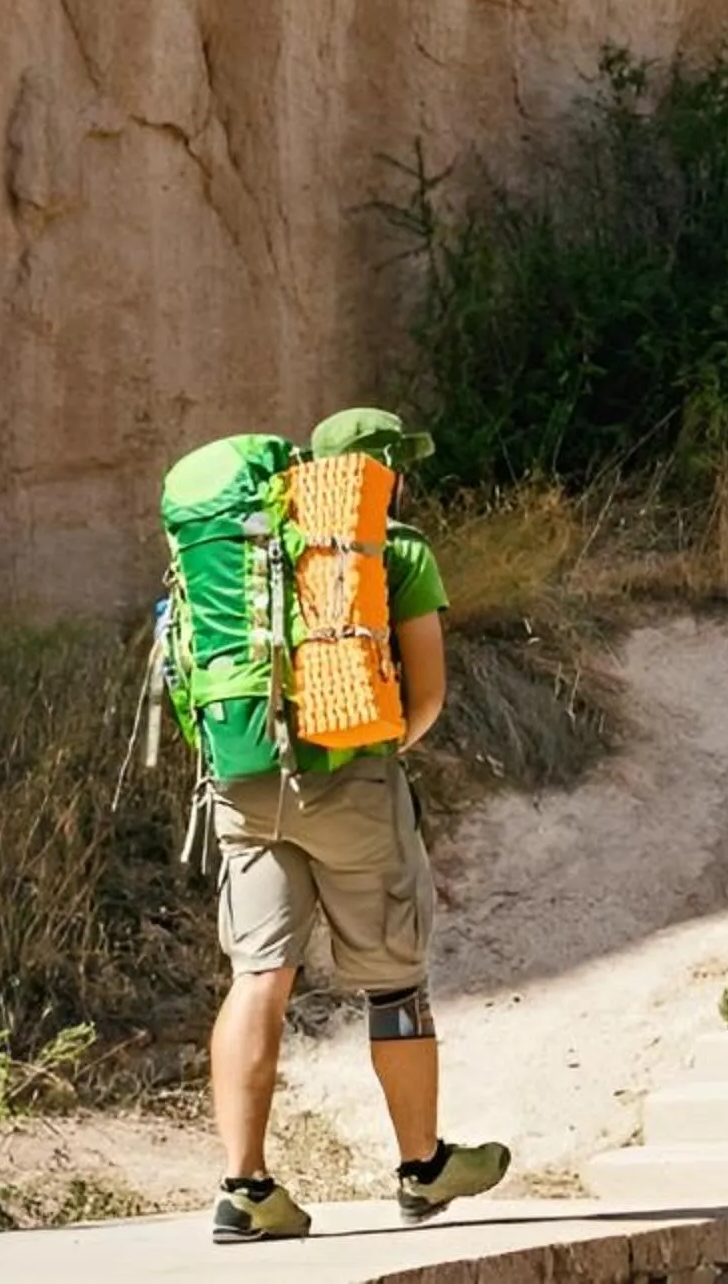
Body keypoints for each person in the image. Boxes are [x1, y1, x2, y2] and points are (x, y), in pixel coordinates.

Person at [206, 407, 509, 1244]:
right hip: (350, 784)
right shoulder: (393, 549)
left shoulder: (251, 543)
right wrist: (365, 753)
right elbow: (427, 696)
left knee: (259, 975)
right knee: (394, 978)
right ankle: (422, 1166)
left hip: (242, 780)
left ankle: (245, 1188)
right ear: (387, 474)